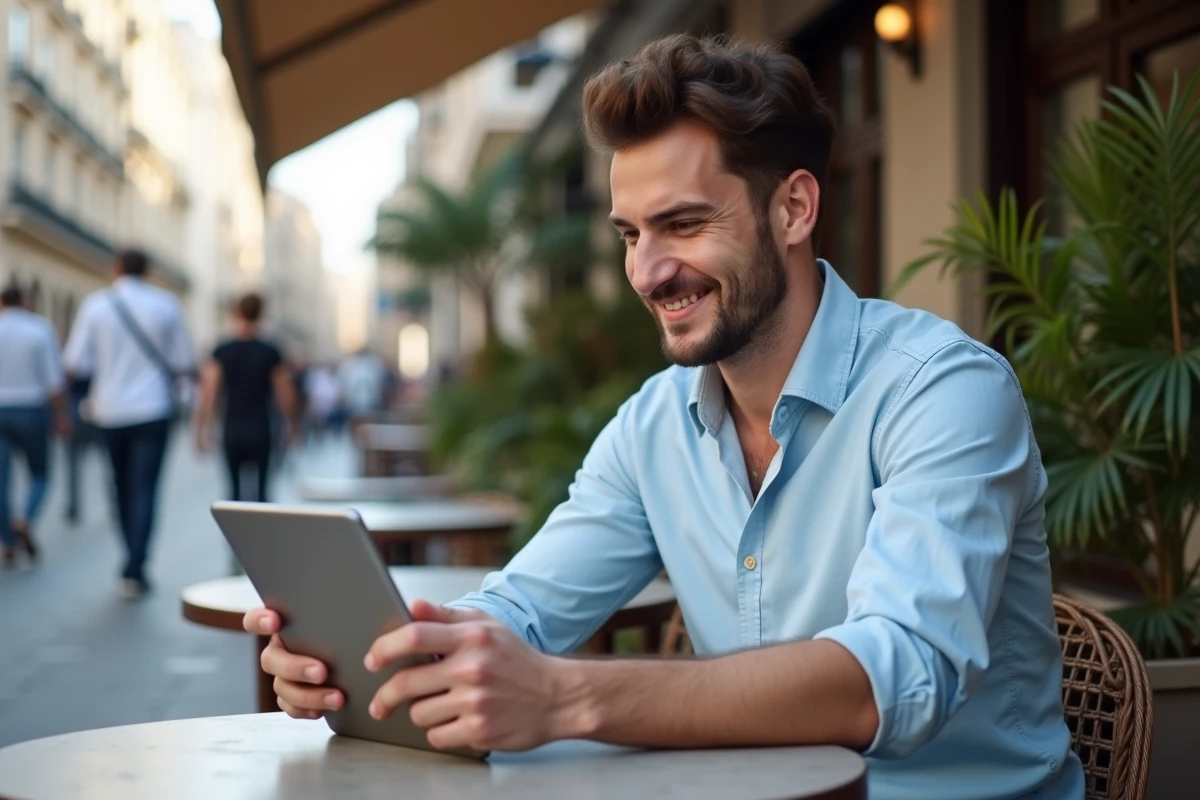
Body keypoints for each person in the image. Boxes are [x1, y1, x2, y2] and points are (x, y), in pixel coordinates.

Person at [244, 35, 1083, 799]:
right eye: (629, 233)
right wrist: (392, 660)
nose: (646, 272)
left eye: (682, 223)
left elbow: (895, 674)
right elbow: (525, 610)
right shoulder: (652, 426)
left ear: (793, 209)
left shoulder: (943, 392)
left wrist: (565, 696)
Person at [63, 249, 196, 599]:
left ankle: (130, 558)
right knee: (146, 488)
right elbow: (185, 360)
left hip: (109, 411)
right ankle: (135, 566)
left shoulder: (96, 305)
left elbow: (76, 361)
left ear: (116, 269)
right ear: (149, 271)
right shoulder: (166, 305)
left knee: (120, 486)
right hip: (154, 409)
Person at [193, 293, 299, 502]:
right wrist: (293, 426)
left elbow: (208, 394)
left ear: (236, 313)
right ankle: (260, 534)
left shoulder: (222, 351)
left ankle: (235, 535)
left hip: (232, 429)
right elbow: (286, 394)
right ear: (261, 314)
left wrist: (200, 430)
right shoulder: (270, 351)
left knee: (233, 493)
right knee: (262, 493)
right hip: (262, 429)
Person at [0, 283, 69, 568]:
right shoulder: (40, 329)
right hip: (31, 411)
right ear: (25, 300)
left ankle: (8, 541)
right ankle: (24, 520)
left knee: (1, 482)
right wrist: (62, 415)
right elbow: (54, 381)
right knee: (40, 474)